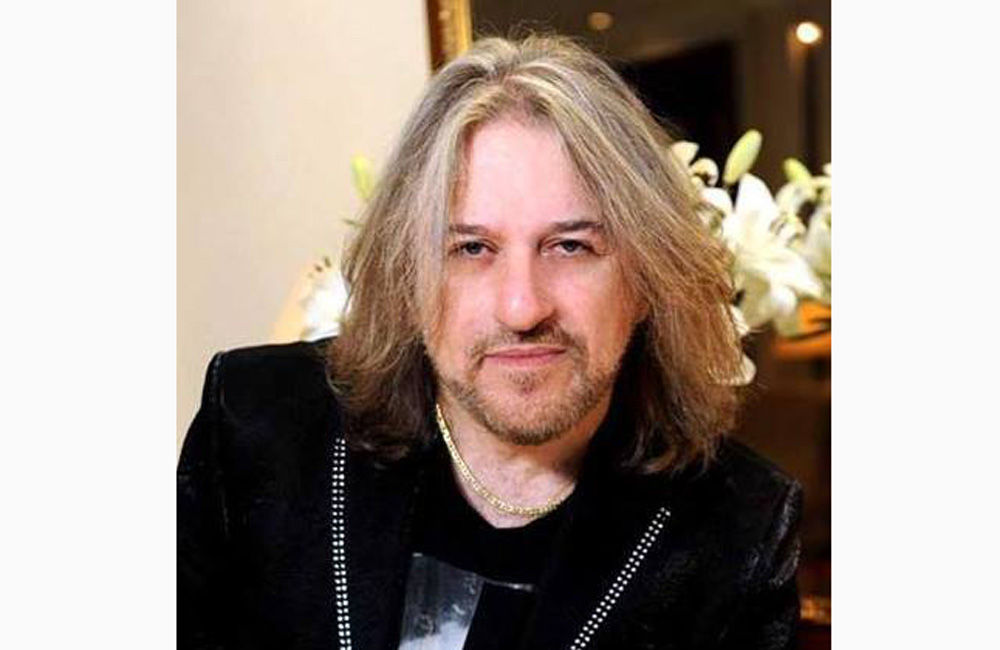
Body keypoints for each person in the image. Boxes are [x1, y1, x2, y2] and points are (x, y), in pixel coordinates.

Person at [178, 35, 802, 650]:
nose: (522, 307)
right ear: (408, 277)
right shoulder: (254, 427)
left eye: (571, 246)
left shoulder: (740, 532)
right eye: (472, 248)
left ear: (646, 279)